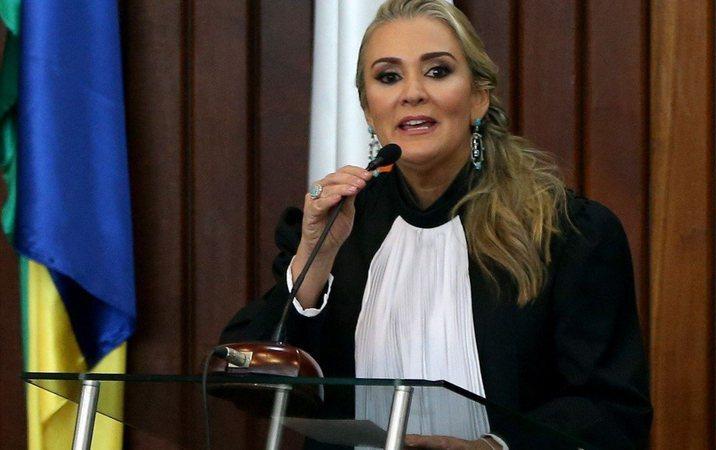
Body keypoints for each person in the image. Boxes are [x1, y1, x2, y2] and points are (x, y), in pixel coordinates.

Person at [220, 0, 652, 448]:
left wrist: (491, 448)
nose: (412, 93)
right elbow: (243, 370)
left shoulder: (568, 233)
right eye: (389, 77)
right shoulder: (337, 224)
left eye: (437, 71)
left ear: (479, 97)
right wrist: (315, 254)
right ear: (368, 109)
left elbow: (611, 411)